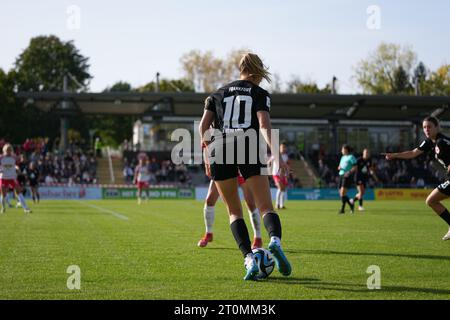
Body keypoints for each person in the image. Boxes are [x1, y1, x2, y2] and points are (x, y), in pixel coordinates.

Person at [198, 52, 292, 280]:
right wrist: (277, 156)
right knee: (266, 207)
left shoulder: (217, 94)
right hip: (248, 145)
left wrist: (208, 157)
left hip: (220, 148)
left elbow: (203, 127)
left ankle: (249, 259)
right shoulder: (259, 93)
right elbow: (263, 124)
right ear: (258, 71)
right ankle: (274, 241)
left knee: (233, 212)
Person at [383, 116, 450, 240]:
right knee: (431, 201)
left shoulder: (442, 141)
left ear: (437, 127)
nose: (426, 129)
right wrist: (395, 155)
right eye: (424, 127)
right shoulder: (429, 142)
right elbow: (413, 153)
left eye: (429, 127)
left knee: (431, 201)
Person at [198, 173, 263, 249]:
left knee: (250, 203)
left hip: (241, 168)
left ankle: (258, 238)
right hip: (225, 165)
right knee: (209, 200)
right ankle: (208, 234)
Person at [0, 144, 31, 214]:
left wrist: (17, 167)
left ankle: (26, 209)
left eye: (10, 150)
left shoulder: (14, 157)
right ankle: (3, 208)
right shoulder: (1, 157)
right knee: (3, 195)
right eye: (7, 150)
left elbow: (19, 161)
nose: (8, 151)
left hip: (12, 177)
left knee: (19, 192)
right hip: (3, 177)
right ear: (4, 150)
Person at [268, 143, 290, 209]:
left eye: (284, 147)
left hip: (282, 174)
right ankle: (277, 204)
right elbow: (269, 161)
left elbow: (287, 165)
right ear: (279, 148)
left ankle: (281, 205)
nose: (283, 149)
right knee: (280, 188)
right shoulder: (276, 155)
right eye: (282, 147)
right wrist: (269, 166)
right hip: (276, 174)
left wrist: (287, 174)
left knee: (283, 189)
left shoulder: (286, 156)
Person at [337, 144, 357, 214]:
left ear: (346, 149)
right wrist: (339, 167)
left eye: (342, 149)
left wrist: (349, 172)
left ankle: (342, 209)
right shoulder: (342, 157)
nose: (341, 150)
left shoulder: (351, 157)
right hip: (341, 175)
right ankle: (351, 205)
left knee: (342, 193)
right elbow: (340, 166)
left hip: (347, 176)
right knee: (341, 194)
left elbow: (355, 167)